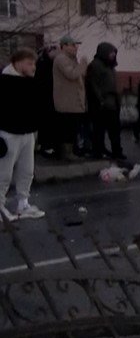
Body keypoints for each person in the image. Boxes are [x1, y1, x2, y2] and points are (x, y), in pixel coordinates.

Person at [0, 48, 44, 221]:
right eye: (29, 63)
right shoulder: (4, 81)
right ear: (17, 63)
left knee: (27, 170)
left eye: (34, 63)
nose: (33, 67)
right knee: (3, 173)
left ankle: (23, 203)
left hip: (27, 133)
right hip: (8, 133)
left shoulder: (29, 82)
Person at [86, 42, 125, 160]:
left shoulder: (110, 66)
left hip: (112, 102)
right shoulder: (96, 65)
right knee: (99, 130)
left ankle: (116, 151)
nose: (113, 55)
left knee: (114, 130)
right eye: (111, 52)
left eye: (114, 52)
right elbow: (93, 85)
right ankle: (98, 151)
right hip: (102, 104)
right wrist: (100, 100)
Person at [51, 35, 88, 158]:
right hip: (66, 102)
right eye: (73, 45)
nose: (76, 47)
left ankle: (71, 151)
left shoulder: (71, 59)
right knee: (67, 129)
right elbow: (71, 74)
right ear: (64, 46)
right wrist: (82, 64)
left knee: (72, 128)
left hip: (73, 102)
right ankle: (66, 153)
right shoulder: (61, 59)